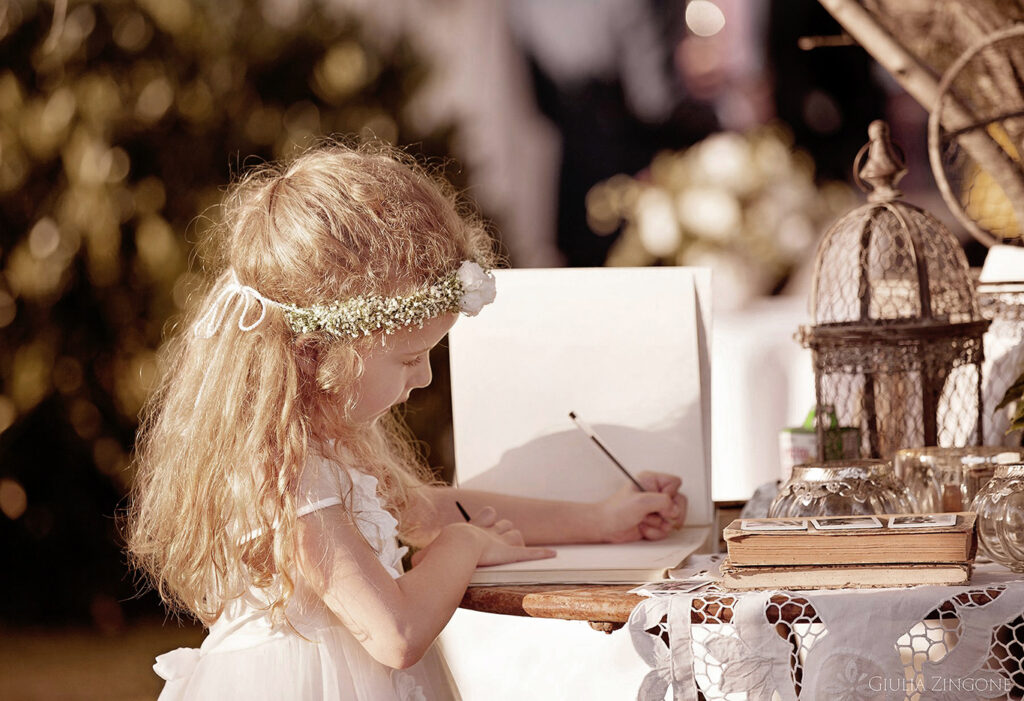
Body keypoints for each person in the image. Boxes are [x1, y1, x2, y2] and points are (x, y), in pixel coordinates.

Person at [125, 141, 687, 700]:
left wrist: (603, 520)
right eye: (410, 358)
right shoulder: (285, 470)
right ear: (319, 348)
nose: (423, 380)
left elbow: (426, 511)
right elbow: (395, 633)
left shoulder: (329, 439)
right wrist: (463, 545)